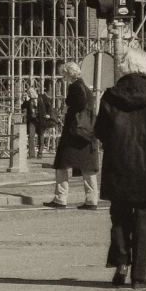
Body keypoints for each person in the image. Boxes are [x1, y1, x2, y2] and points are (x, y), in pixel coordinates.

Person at [93, 49, 146, 288]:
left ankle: (121, 261)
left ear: (124, 69)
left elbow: (100, 130)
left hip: (119, 165)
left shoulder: (110, 96)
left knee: (119, 217)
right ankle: (139, 275)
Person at [43, 61, 99, 210]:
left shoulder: (75, 87)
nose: (63, 78)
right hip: (86, 133)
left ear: (69, 74)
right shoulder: (85, 87)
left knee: (61, 165)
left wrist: (69, 108)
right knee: (88, 167)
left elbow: (79, 104)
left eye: (64, 75)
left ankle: (60, 198)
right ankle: (92, 199)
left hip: (74, 133)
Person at [20, 89, 38, 158]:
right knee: (31, 136)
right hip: (31, 121)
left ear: (35, 92)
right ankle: (32, 154)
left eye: (32, 92)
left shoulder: (40, 98)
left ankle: (40, 153)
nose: (30, 93)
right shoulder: (29, 101)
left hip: (40, 120)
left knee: (41, 137)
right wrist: (26, 100)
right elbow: (23, 107)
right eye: (29, 92)